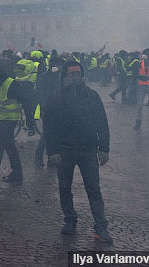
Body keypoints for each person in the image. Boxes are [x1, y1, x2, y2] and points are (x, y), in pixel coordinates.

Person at [43, 59, 112, 244]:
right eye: (71, 74)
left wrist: (104, 148)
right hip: (64, 150)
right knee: (65, 187)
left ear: (82, 75)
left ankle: (101, 226)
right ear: (64, 76)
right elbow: (49, 125)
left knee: (94, 189)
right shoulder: (56, 96)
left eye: (77, 74)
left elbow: (102, 123)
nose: (75, 78)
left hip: (88, 149)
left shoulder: (91, 95)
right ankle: (70, 220)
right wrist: (52, 151)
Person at [133, 48, 149, 131]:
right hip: (142, 86)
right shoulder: (139, 63)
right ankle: (138, 123)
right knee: (140, 105)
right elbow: (134, 72)